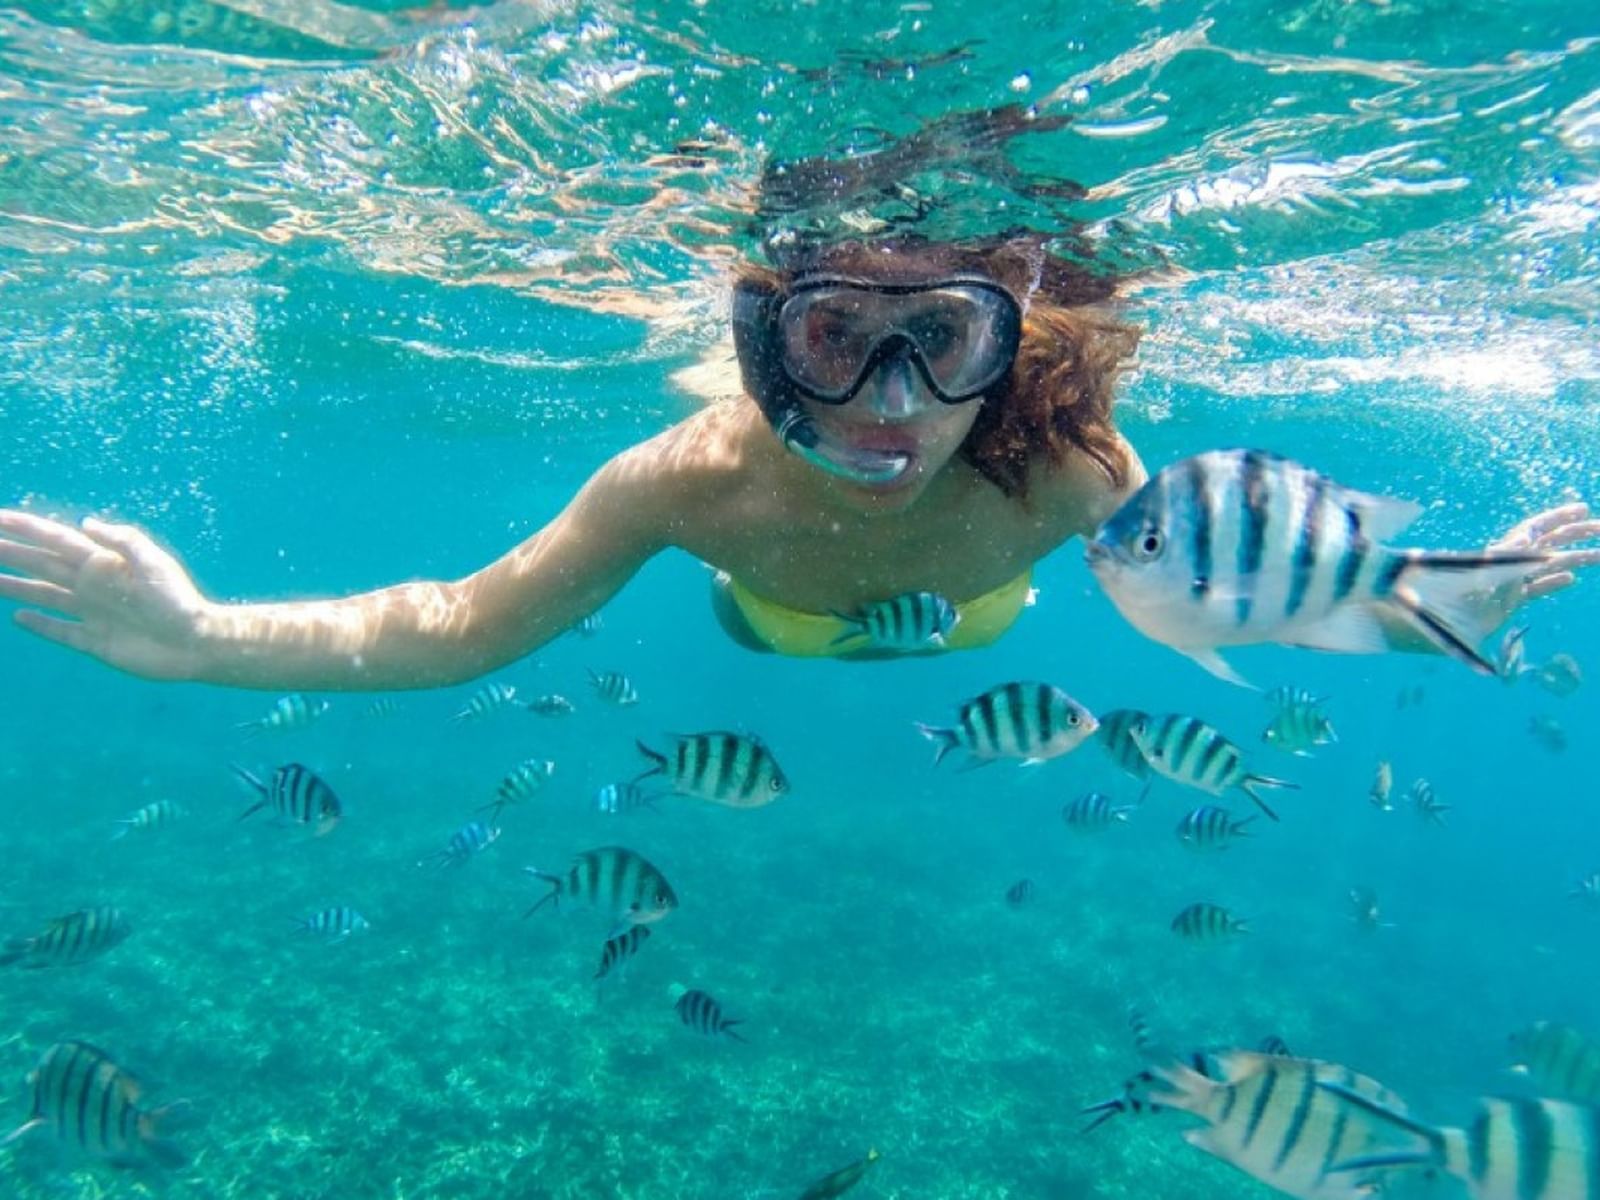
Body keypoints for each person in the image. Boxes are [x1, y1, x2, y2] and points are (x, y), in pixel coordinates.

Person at [0, 231, 1593, 689]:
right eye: (836, 342)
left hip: (985, 615)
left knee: (995, 625)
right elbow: (466, 620)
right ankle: (781, 629)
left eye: (946, 345)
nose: (891, 403)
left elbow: (1262, 585)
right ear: (767, 347)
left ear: (1012, 352)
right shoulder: (684, 485)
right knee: (760, 629)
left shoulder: (1078, 481)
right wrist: (201, 638)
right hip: (761, 607)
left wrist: (1449, 606)